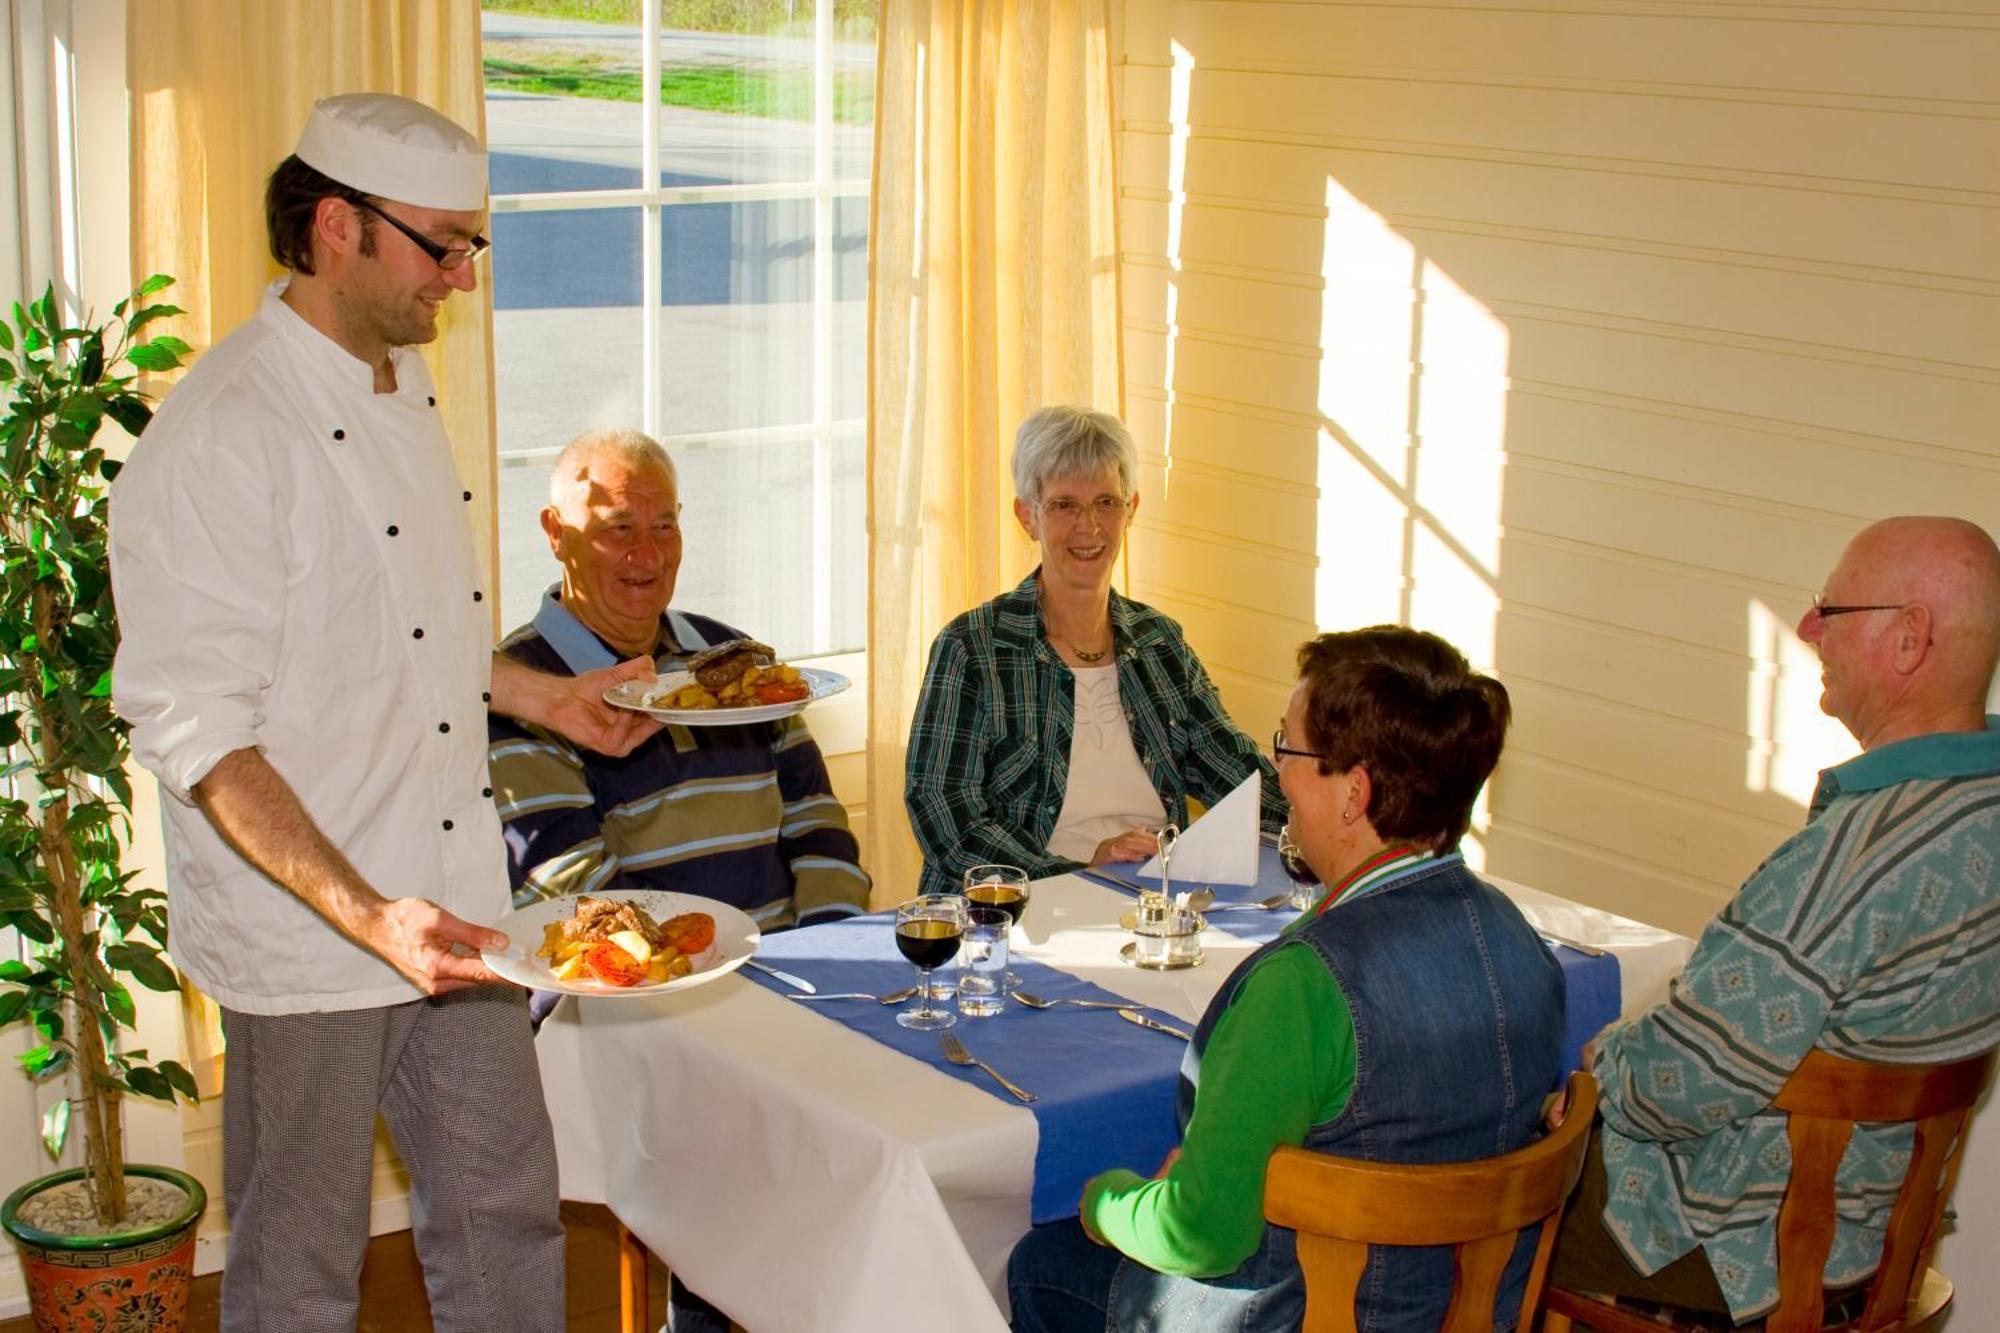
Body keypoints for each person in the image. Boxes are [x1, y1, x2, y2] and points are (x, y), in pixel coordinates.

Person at [110, 94, 655, 1333]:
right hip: (307, 924)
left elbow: (411, 640)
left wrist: (545, 697)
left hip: (447, 885)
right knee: (301, 1260)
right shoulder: (222, 436)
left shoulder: (401, 385)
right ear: (335, 226)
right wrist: (367, 913)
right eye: (440, 245)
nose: (461, 277)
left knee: (504, 1205)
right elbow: (193, 729)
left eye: (473, 246)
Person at [1007, 627, 1565, 1333]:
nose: (1277, 776)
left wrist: (1106, 1200)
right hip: (1467, 1310)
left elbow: (1200, 1235)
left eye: (1288, 750)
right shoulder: (1524, 943)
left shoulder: (1304, 985)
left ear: (1353, 792)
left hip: (1315, 1312)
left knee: (1042, 1260)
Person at [1547, 516, 2000, 1323]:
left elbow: (1676, 1083)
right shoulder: (1979, 808)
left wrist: (1598, 1064)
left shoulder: (1858, 858)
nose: (1807, 630)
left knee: (1465, 1184)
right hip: (1884, 1232)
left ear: (1909, 640)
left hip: (1753, 1243)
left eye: (1833, 610)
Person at [487, 425, 869, 1333]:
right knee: (767, 1147)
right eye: (618, 527)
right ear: (555, 530)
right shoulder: (526, 689)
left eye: (666, 525)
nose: (647, 554)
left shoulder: (732, 663)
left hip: (784, 972)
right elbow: (582, 897)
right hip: (635, 1008)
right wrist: (735, 995)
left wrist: (827, 957)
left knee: (892, 1117)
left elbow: (820, 824)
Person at [905, 406, 1284, 896]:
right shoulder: (973, 649)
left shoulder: (1159, 641)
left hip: (1154, 898)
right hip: (1022, 911)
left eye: (1106, 502)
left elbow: (1233, 772)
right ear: (1028, 516)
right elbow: (943, 814)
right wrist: (1079, 870)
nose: (1089, 527)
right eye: (1065, 505)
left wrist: (1342, 825)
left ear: (1132, 509)